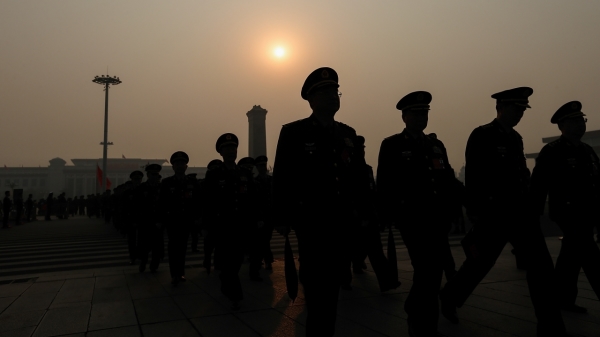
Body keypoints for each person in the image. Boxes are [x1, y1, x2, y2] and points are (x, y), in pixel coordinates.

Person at [439, 87, 567, 337]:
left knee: (541, 268)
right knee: (479, 264)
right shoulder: (482, 135)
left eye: (522, 109)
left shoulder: (516, 139)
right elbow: (474, 176)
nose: (520, 114)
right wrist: (475, 210)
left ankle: (551, 327)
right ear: (501, 108)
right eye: (516, 108)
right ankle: (450, 296)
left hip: (520, 215)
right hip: (494, 214)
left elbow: (522, 175)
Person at [272, 67, 365, 336]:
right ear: (310, 100)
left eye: (335, 91)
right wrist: (280, 216)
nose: (332, 96)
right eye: (325, 92)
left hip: (342, 221)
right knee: (316, 286)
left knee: (333, 285)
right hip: (311, 222)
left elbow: (358, 178)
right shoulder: (294, 132)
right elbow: (282, 176)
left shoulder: (347, 134)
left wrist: (366, 211)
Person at [377, 91, 461, 336]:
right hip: (411, 220)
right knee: (427, 270)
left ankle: (415, 310)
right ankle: (424, 324)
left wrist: (460, 206)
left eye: (424, 113)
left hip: (437, 219)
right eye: (415, 113)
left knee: (431, 273)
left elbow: (447, 181)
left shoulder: (435, 145)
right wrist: (384, 215)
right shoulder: (392, 145)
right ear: (404, 116)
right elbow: (384, 183)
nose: (420, 117)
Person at [530, 101, 600, 313]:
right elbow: (538, 186)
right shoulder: (552, 151)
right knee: (590, 256)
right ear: (562, 125)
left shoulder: (587, 151)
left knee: (570, 258)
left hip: (588, 212)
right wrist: (533, 215)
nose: (580, 124)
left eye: (582, 119)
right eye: (574, 120)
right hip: (568, 213)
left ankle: (562, 299)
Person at [203, 134, 259, 309]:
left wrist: (255, 219)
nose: (230, 151)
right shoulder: (214, 174)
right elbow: (208, 201)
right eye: (227, 148)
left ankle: (226, 278)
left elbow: (252, 199)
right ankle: (235, 293)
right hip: (222, 225)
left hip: (241, 224)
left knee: (237, 259)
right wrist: (207, 224)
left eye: (233, 148)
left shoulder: (244, 173)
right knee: (228, 257)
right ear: (221, 152)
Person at [355, 135, 401, 292]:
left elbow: (373, 193)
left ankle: (387, 280)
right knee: (352, 248)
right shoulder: (348, 169)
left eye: (363, 149)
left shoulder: (367, 169)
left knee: (375, 249)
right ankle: (347, 274)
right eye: (359, 149)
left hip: (370, 214)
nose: (362, 152)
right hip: (355, 216)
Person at [158, 151, 199, 285]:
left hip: (186, 220)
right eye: (177, 164)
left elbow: (197, 202)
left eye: (182, 164)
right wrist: (161, 220)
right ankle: (174, 273)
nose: (180, 166)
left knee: (182, 248)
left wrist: (197, 218)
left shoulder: (192, 183)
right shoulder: (166, 183)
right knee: (173, 247)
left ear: (186, 167)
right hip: (172, 221)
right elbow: (162, 203)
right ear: (173, 167)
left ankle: (180, 273)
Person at [134, 164, 165, 273]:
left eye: (156, 174)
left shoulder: (162, 188)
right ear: (147, 175)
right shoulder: (141, 188)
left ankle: (154, 264)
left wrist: (162, 220)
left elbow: (164, 205)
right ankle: (143, 262)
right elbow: (136, 206)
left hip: (158, 222)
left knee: (157, 245)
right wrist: (137, 220)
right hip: (145, 222)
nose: (154, 176)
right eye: (152, 174)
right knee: (144, 245)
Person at [201, 159, 224, 272]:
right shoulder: (204, 185)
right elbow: (203, 205)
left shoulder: (225, 183)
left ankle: (218, 264)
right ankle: (207, 259)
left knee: (220, 245)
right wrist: (203, 224)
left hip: (222, 220)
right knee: (209, 244)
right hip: (210, 220)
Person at [254, 155, 275, 270]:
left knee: (266, 238)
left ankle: (263, 259)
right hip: (260, 216)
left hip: (270, 215)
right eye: (260, 165)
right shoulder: (254, 182)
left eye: (264, 165)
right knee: (263, 239)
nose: (262, 167)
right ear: (256, 167)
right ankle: (267, 260)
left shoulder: (271, 180)